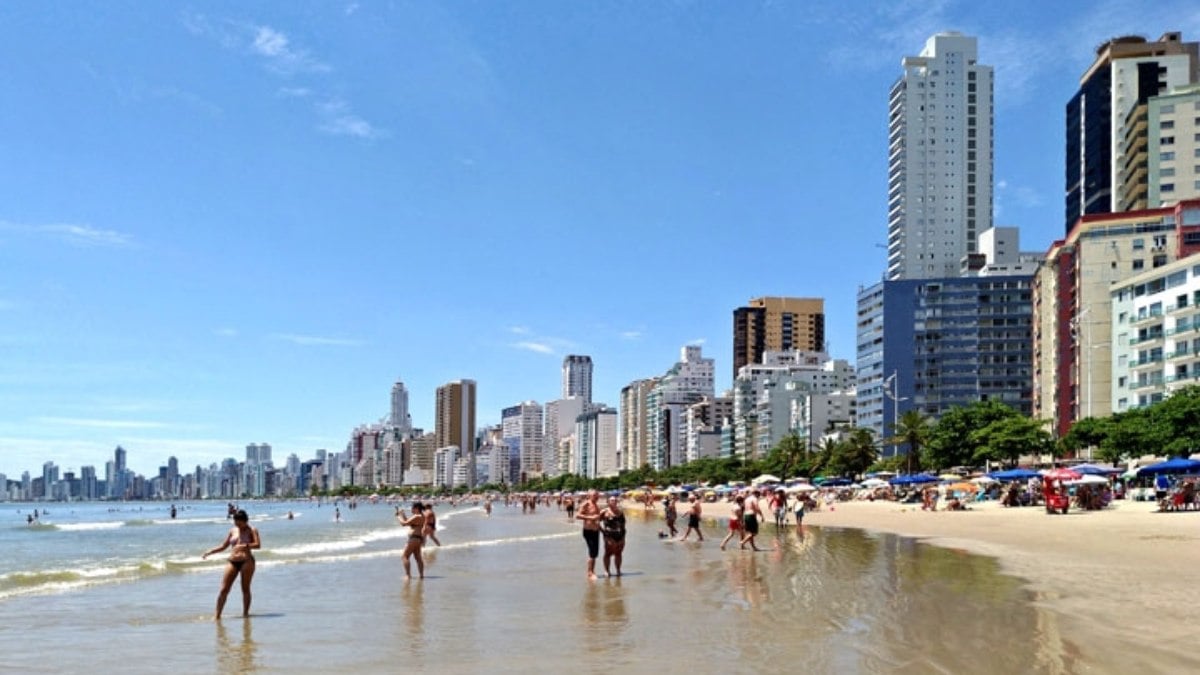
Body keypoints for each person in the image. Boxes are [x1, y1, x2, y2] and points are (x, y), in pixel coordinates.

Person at [202, 509, 261, 619]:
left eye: (239, 523)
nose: (237, 525)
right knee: (224, 589)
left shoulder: (252, 530)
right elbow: (224, 546)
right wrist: (210, 551)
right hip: (232, 561)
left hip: (246, 561)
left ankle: (245, 613)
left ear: (245, 521)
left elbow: (258, 545)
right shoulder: (233, 530)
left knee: (245, 589)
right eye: (235, 522)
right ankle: (217, 615)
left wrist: (245, 546)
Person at [576, 489, 603, 580]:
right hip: (588, 531)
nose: (597, 497)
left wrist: (602, 530)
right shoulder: (586, 504)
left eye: (597, 495)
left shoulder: (596, 505)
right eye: (595, 495)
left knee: (595, 553)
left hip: (596, 531)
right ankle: (590, 573)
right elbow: (578, 515)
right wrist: (590, 517)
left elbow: (597, 520)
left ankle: (592, 571)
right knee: (592, 552)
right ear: (589, 496)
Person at [396, 502, 427, 579]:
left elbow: (404, 523)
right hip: (418, 539)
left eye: (412, 508)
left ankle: (408, 575)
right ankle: (421, 575)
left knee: (404, 556)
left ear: (416, 508)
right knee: (418, 558)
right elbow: (409, 523)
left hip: (413, 539)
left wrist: (398, 516)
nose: (411, 509)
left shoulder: (417, 516)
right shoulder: (422, 516)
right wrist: (402, 514)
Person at [599, 496, 626, 577]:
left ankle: (618, 570)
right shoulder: (604, 512)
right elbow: (597, 522)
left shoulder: (620, 511)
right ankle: (607, 571)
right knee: (608, 553)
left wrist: (623, 536)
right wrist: (602, 531)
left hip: (620, 535)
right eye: (612, 500)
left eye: (615, 500)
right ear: (608, 502)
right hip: (609, 535)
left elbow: (624, 523)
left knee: (619, 553)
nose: (614, 501)